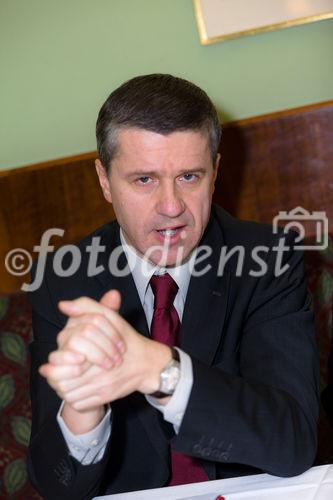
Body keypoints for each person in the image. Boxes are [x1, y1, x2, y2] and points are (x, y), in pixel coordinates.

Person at [27, 74, 320, 500]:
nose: (171, 207)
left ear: (215, 172)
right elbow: (56, 486)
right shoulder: (63, 280)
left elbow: (293, 441)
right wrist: (82, 413)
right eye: (144, 180)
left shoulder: (269, 259)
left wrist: (160, 370)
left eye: (188, 176)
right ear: (105, 180)